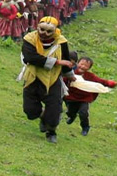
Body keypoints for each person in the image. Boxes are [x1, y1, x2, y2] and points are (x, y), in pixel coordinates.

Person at [20, 16, 73, 144]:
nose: (44, 34)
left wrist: (70, 75)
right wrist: (56, 62)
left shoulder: (61, 42)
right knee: (30, 111)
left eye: (49, 31)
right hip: (33, 76)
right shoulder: (29, 39)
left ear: (55, 30)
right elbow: (30, 57)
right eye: (42, 30)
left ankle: (51, 131)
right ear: (37, 27)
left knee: (54, 107)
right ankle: (42, 117)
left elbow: (66, 60)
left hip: (53, 78)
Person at [63, 56, 117, 136]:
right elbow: (64, 80)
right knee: (71, 110)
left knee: (83, 113)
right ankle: (71, 116)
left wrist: (109, 83)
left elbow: (100, 81)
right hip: (71, 97)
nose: (83, 67)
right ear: (78, 63)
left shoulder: (90, 76)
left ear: (89, 68)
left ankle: (85, 127)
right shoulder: (71, 73)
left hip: (84, 98)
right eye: (81, 64)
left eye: (86, 66)